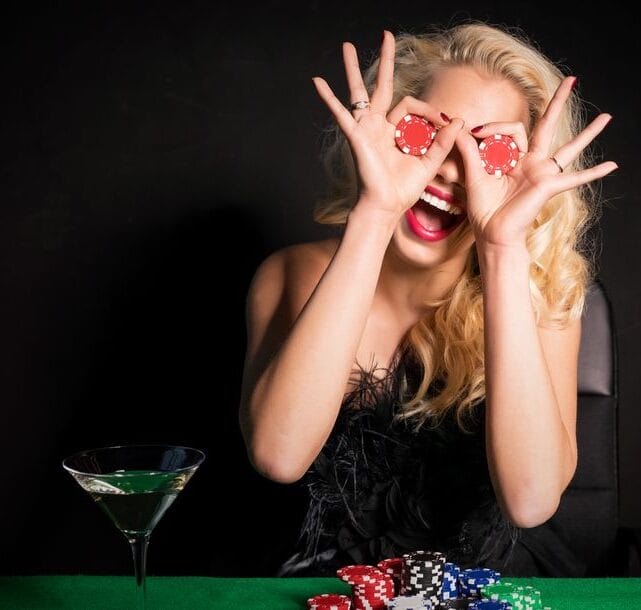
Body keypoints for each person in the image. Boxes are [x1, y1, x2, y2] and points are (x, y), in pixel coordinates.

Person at [238, 20, 617, 578]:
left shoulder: (544, 298)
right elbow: (278, 455)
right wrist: (377, 210)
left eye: (490, 153)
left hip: (489, 584)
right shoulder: (290, 274)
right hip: (327, 589)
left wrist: (503, 247)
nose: (447, 169)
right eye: (428, 132)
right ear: (388, 130)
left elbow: (531, 502)